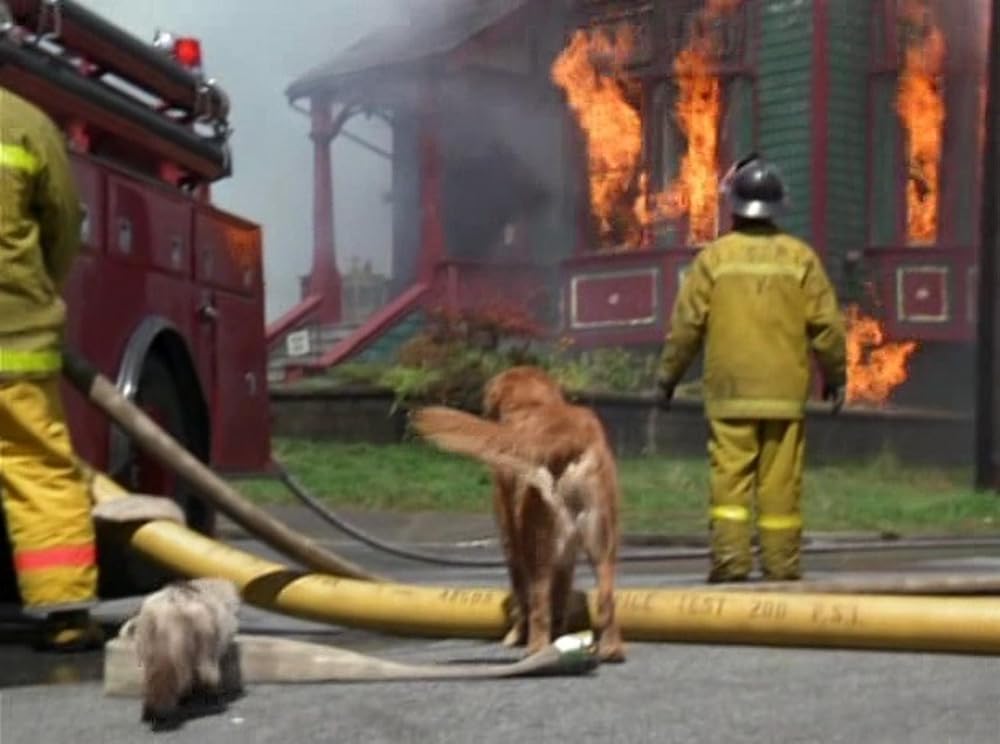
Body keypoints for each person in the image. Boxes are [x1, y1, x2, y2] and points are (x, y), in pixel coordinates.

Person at [657, 152, 847, 583]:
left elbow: (685, 327)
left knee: (730, 482)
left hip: (730, 393)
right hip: (784, 394)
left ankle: (730, 562)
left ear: (735, 206)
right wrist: (835, 377)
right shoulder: (801, 259)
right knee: (780, 483)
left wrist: (667, 378)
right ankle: (781, 564)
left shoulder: (714, 259)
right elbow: (827, 327)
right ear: (778, 207)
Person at [0, 87, 103, 650]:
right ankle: (64, 613)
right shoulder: (25, 122)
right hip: (13, 337)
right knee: (36, 469)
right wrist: (42, 289)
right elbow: (62, 223)